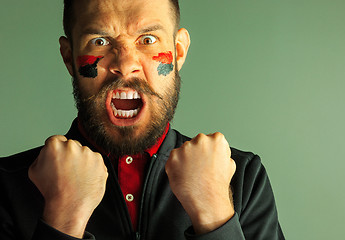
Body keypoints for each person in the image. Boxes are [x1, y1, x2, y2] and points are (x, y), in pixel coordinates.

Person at [0, 0, 285, 239]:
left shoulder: (242, 177)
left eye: (148, 40)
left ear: (179, 51)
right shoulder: (7, 186)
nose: (125, 65)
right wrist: (62, 219)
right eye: (99, 41)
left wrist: (215, 214)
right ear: (69, 57)